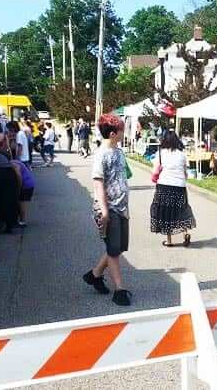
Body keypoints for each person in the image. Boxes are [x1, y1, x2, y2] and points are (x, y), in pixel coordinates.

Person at [82, 114, 132, 306]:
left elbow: (122, 178)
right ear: (113, 133)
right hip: (108, 208)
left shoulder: (118, 152)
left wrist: (125, 207)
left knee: (118, 248)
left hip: (121, 207)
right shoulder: (101, 155)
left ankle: (94, 275)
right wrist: (104, 211)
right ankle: (120, 289)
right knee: (113, 250)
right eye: (121, 129)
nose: (123, 132)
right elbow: (98, 185)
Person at [150, 131, 197, 247]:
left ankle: (169, 241)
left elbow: (155, 171)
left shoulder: (161, 153)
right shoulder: (182, 154)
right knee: (181, 210)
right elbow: (185, 174)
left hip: (164, 186)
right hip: (180, 186)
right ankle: (185, 233)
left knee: (166, 212)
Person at [12, 155, 35, 227]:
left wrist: (19, 186)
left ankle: (22, 221)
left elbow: (18, 175)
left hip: (25, 184)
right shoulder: (15, 161)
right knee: (20, 201)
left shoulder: (12, 163)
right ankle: (20, 220)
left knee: (21, 202)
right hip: (29, 182)